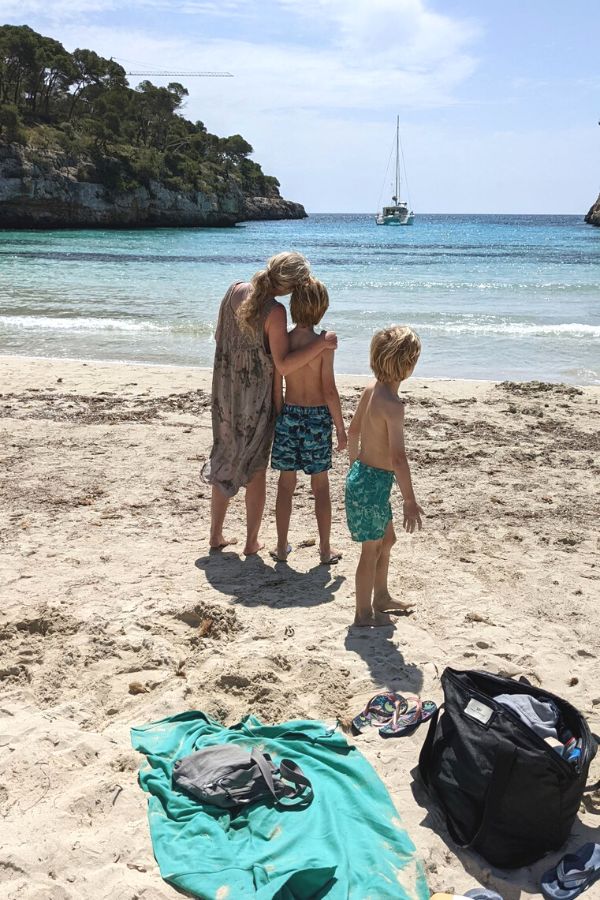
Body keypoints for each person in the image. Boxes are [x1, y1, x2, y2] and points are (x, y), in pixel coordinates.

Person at [203, 252, 337, 556]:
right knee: (256, 466)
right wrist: (321, 343)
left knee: (224, 452)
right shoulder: (274, 312)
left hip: (225, 385)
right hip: (254, 394)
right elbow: (284, 364)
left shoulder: (234, 289)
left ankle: (215, 534)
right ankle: (251, 541)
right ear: (291, 287)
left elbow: (219, 337)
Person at [345, 326, 424, 627]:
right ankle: (363, 613)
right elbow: (398, 459)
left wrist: (355, 468)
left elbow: (353, 433)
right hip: (373, 483)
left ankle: (381, 596)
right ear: (406, 366)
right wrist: (409, 499)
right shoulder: (393, 406)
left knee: (387, 540)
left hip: (366, 479)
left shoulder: (371, 390)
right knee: (371, 550)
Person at [270, 278, 347, 565]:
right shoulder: (324, 343)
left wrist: (279, 415)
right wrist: (340, 427)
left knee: (285, 485)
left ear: (293, 306)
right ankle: (325, 550)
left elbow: (277, 383)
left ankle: (280, 547)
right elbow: (329, 389)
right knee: (321, 487)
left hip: (289, 414)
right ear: (322, 309)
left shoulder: (285, 340)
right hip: (316, 418)